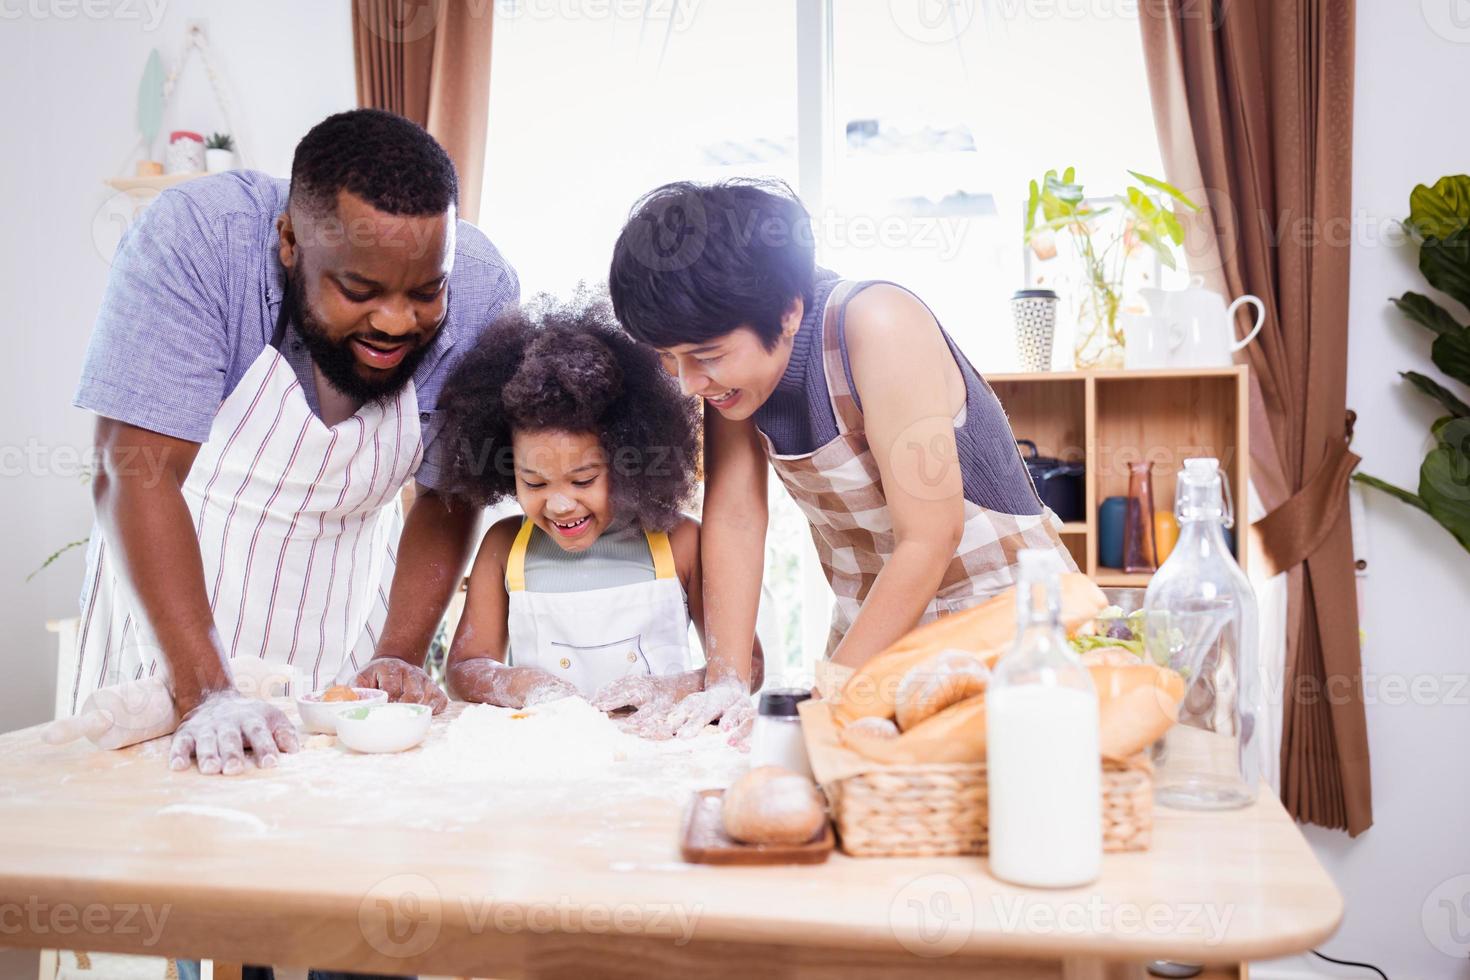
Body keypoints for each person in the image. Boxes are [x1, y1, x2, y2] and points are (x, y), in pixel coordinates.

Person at [74, 109, 518, 775]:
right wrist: (206, 693)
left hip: (343, 617)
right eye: (359, 290)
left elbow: (448, 493)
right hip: (168, 615)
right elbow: (134, 470)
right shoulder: (200, 241)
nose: (398, 321)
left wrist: (396, 655)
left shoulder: (483, 289)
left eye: (427, 294)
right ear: (288, 241)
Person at [606, 179, 1075, 739]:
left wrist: (828, 696)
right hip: (875, 634)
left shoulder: (877, 322)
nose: (687, 383)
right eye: (668, 358)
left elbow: (931, 535)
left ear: (788, 313)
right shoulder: (725, 381)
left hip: (1007, 631)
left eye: (705, 357)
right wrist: (724, 683)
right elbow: (735, 516)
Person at [437, 297, 760, 733]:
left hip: (661, 760)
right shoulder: (503, 547)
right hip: (551, 766)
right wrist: (522, 684)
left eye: (584, 479)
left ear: (630, 462)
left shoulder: (680, 542)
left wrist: (672, 689)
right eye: (534, 483)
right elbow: (464, 668)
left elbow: (747, 667)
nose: (559, 504)